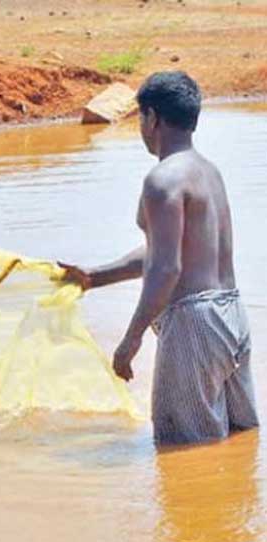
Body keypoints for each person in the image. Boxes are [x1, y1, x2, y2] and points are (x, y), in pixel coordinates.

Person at [60, 71, 258, 446]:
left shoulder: (162, 180)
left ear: (152, 117)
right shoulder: (208, 172)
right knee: (237, 443)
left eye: (140, 119)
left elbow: (167, 267)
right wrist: (95, 277)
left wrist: (131, 338)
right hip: (232, 316)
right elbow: (169, 251)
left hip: (193, 323)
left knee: (182, 448)